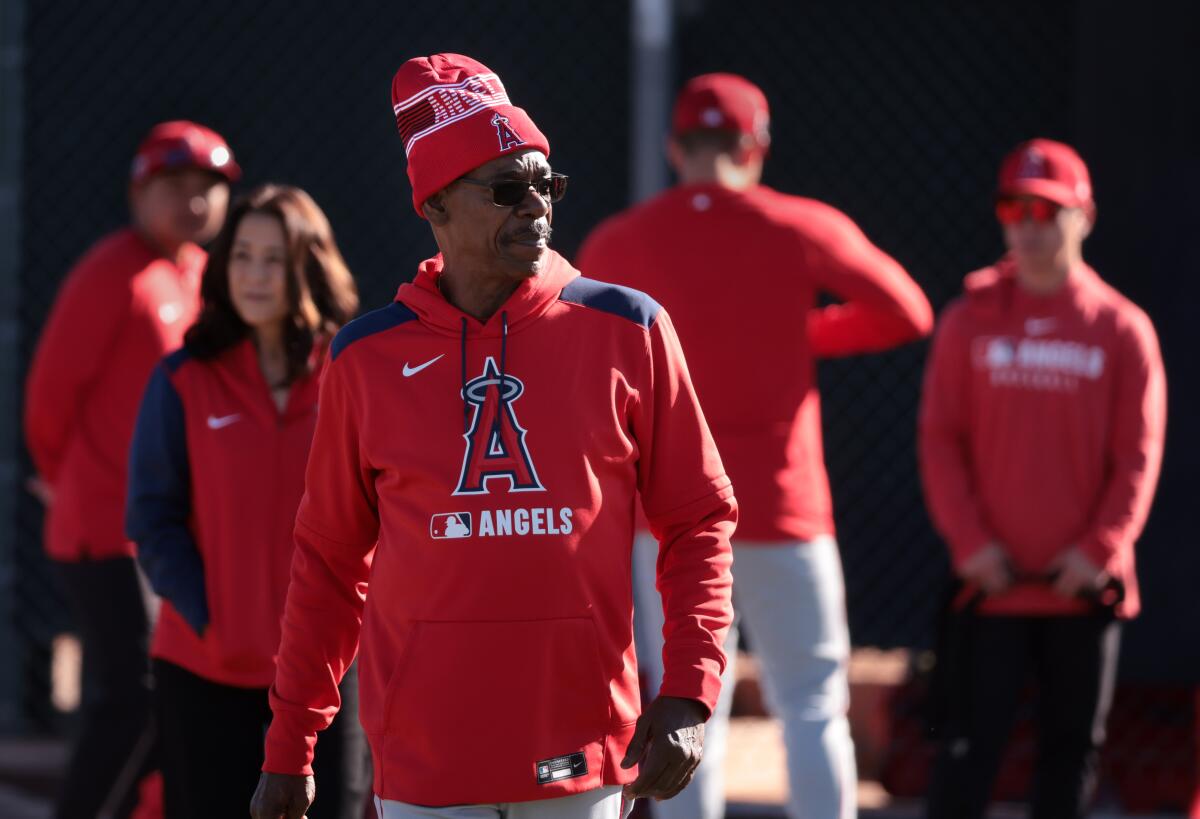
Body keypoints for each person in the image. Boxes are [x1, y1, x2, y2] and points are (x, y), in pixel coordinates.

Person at [248, 54, 736, 819]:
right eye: (508, 188)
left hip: (581, 753)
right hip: (425, 760)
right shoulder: (366, 358)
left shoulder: (629, 327)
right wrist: (290, 746)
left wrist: (689, 691)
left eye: (548, 184)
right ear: (435, 205)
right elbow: (330, 565)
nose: (536, 206)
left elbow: (698, 517)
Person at [578, 73, 934, 819]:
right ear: (757, 147)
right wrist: (800, 336)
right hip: (782, 507)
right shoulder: (796, 224)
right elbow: (906, 310)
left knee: (683, 704)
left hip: (669, 514)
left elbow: (580, 359)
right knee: (812, 702)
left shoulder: (620, 239)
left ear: (676, 149)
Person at [919, 138, 1167, 819]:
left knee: (1069, 760)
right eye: (1014, 207)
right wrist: (970, 544)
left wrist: (1097, 552)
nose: (1028, 225)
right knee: (967, 755)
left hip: (1082, 593)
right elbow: (941, 440)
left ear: (1084, 215)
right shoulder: (967, 320)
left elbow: (1138, 456)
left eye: (1046, 210)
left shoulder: (1122, 329)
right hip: (990, 588)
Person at [126, 184, 368, 818]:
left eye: (273, 258)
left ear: (306, 266)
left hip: (324, 683)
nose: (253, 275)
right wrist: (208, 612)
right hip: (204, 673)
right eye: (241, 256)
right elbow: (152, 516)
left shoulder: (352, 373)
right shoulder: (184, 377)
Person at [23, 120, 238, 819]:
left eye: (209, 187)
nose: (195, 201)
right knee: (137, 691)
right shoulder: (111, 270)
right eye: (176, 186)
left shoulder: (200, 273)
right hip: (103, 526)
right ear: (139, 192)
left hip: (166, 529)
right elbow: (49, 400)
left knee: (168, 692)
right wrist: (70, 479)